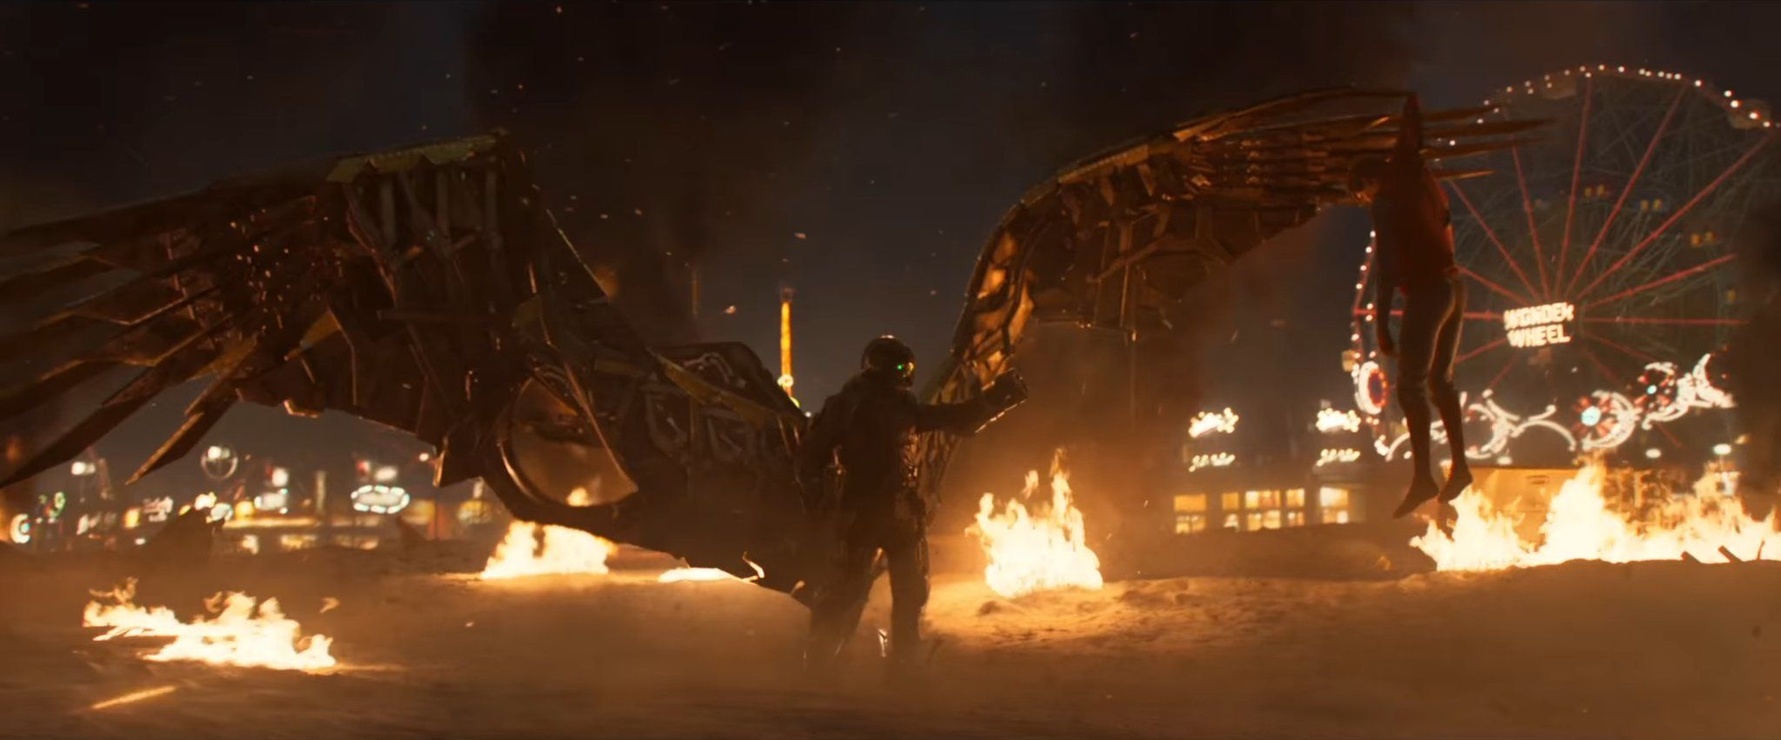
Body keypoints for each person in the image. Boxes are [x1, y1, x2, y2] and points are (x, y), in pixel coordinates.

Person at [799, 335, 1026, 675]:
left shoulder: (897, 406)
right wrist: (819, 500)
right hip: (863, 510)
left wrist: (997, 399)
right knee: (847, 590)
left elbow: (958, 419)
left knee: (909, 592)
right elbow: (811, 456)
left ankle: (900, 660)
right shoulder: (847, 406)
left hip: (897, 512)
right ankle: (821, 660)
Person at [1350, 93, 1474, 518]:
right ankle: (1460, 466)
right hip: (1455, 286)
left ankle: (1423, 476)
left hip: (1427, 292)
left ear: (1368, 181)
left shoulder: (1386, 201)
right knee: (1441, 380)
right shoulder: (1423, 182)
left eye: (1362, 193)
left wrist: (1381, 323)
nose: (1365, 201)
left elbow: (1387, 267)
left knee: (1409, 386)